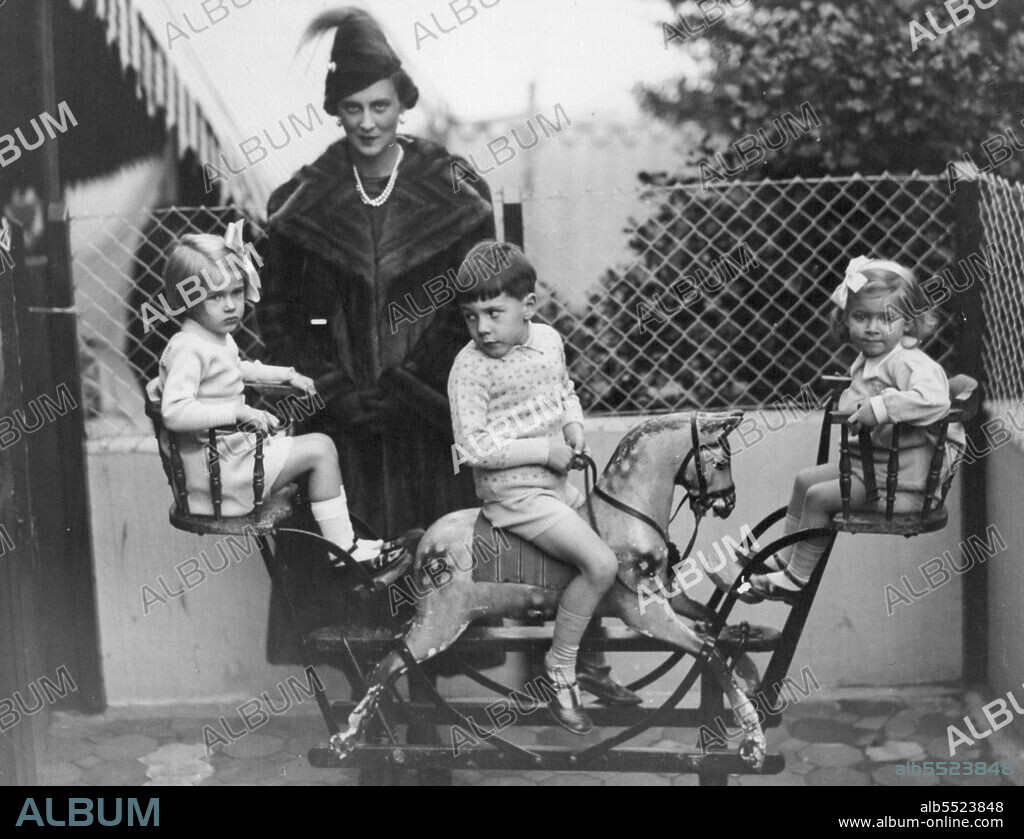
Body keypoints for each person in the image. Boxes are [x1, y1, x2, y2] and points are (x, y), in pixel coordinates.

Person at [258, 8, 639, 709]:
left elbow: (474, 305)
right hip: (344, 440)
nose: (368, 121)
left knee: (440, 571)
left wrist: (406, 382)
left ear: (403, 103)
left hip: (427, 427)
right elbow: (277, 318)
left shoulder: (454, 193)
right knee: (351, 583)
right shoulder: (301, 203)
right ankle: (374, 719)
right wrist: (337, 390)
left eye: (380, 105)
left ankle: (426, 715)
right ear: (335, 111)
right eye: (352, 108)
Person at [449, 241, 622, 734]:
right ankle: (562, 670)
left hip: (557, 486)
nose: (482, 328)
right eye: (470, 316)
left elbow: (564, 391)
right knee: (601, 563)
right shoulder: (470, 368)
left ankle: (595, 667)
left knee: (622, 547)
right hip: (514, 496)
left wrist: (573, 428)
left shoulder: (548, 340)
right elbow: (473, 447)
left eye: (493, 312)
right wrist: (544, 452)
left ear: (528, 307)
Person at [733, 257, 965, 602]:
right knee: (805, 479)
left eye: (886, 318)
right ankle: (784, 558)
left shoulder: (909, 362)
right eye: (861, 317)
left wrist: (881, 406)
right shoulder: (870, 360)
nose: (873, 327)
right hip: (872, 469)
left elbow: (936, 401)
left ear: (909, 323)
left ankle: (796, 579)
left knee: (819, 497)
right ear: (846, 320)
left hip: (901, 485)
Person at [154, 227, 390, 565]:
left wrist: (287, 375)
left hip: (229, 457)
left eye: (236, 292)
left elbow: (242, 370)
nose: (231, 305)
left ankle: (344, 541)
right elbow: (175, 413)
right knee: (321, 450)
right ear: (185, 300)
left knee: (317, 445)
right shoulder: (188, 349)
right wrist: (236, 413)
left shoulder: (212, 337)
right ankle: (342, 549)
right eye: (216, 297)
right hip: (219, 477)